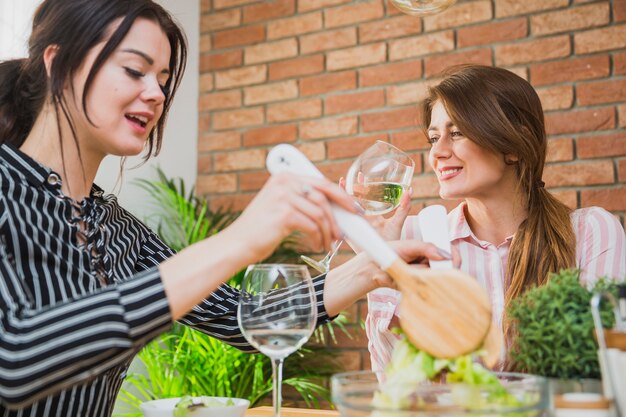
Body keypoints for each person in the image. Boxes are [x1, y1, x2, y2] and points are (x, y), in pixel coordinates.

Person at [0, 1, 449, 415]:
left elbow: (241, 320)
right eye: (135, 70)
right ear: (58, 63)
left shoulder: (115, 228)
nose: (156, 93)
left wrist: (368, 269)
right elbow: (14, 359)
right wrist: (239, 240)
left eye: (161, 78)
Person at [365, 64, 626, 372]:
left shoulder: (589, 232)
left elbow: (602, 369)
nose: (437, 152)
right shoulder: (417, 244)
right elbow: (398, 386)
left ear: (513, 146)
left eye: (457, 133)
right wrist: (381, 273)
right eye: (433, 137)